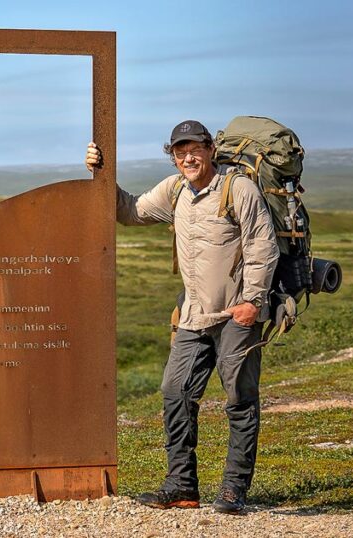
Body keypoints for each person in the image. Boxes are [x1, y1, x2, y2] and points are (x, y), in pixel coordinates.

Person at [85, 120, 279, 514]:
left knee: (239, 399)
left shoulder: (236, 188)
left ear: (210, 149)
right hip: (193, 316)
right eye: (179, 151)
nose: (188, 157)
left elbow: (263, 244)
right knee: (176, 392)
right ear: (172, 156)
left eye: (195, 149)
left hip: (237, 314)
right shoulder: (175, 191)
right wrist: (99, 172)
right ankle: (181, 486)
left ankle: (233, 489)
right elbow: (128, 211)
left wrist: (253, 302)